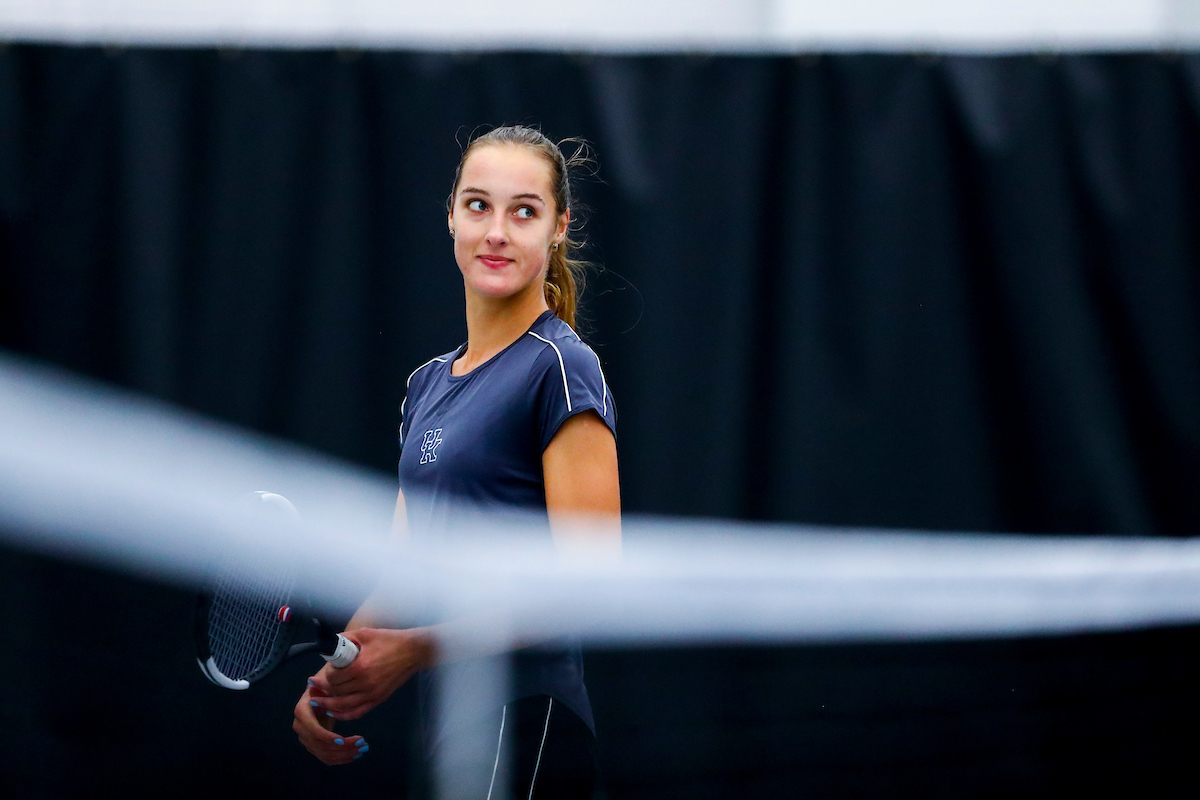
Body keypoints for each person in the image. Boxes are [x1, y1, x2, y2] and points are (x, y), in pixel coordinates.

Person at [292, 125, 619, 797]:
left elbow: (589, 584)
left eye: (523, 211)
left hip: (533, 725)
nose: (496, 231)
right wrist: (334, 678)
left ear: (558, 226)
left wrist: (417, 649)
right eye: (478, 205)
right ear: (451, 217)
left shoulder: (562, 367)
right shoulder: (425, 385)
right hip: (448, 731)